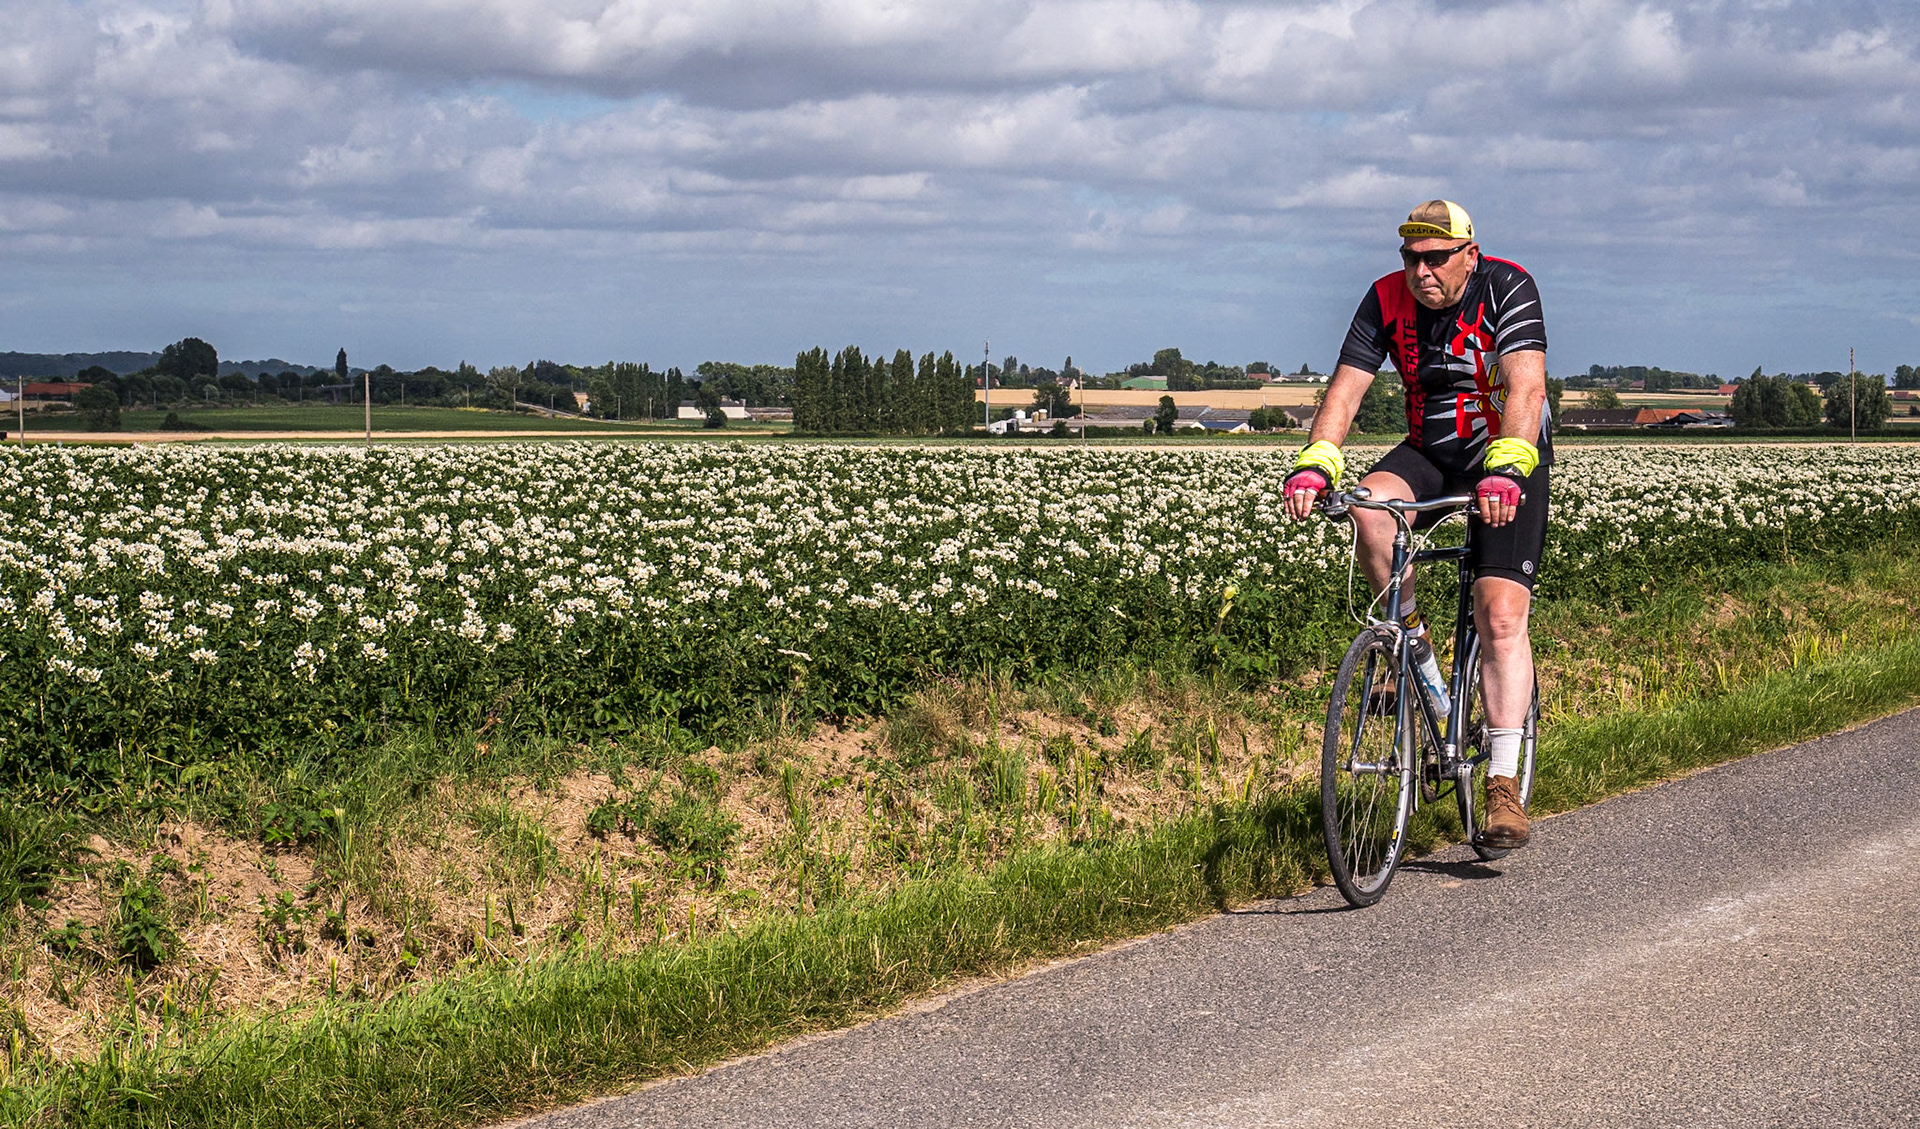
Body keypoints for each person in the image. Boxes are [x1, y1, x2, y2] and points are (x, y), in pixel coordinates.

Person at [1282, 199, 1549, 848]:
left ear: (1469, 255)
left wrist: (1507, 468)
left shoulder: (1506, 287)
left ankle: (1503, 786)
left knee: (1501, 615)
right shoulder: (1384, 299)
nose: (1420, 270)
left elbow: (1526, 389)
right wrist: (1317, 463)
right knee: (1370, 511)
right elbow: (1345, 391)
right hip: (1429, 452)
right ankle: (1412, 646)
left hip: (1503, 456)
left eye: (1435, 258)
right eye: (1410, 258)